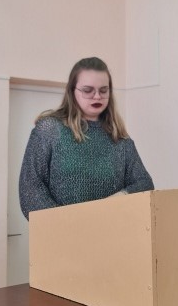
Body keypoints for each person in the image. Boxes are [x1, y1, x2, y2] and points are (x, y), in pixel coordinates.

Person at [19, 57, 154, 219]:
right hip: (61, 231)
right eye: (88, 90)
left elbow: (144, 183)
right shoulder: (50, 130)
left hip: (110, 229)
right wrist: (63, 222)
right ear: (72, 91)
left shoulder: (119, 138)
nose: (97, 97)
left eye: (103, 90)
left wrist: (117, 200)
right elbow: (30, 188)